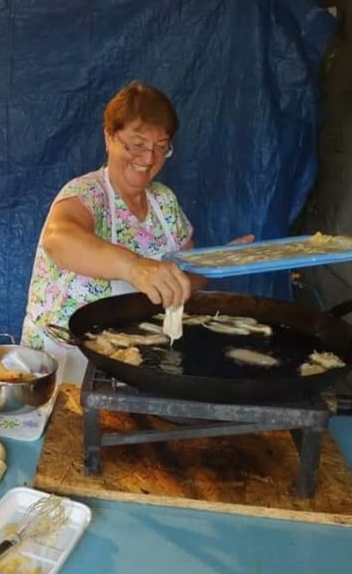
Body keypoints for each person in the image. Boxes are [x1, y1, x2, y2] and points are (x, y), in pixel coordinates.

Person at [20, 80, 252, 383]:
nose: (147, 159)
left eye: (160, 147)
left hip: (128, 356)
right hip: (63, 361)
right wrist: (135, 268)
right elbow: (59, 239)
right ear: (109, 137)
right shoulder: (88, 193)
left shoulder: (164, 202)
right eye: (137, 144)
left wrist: (216, 264)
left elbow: (179, 278)